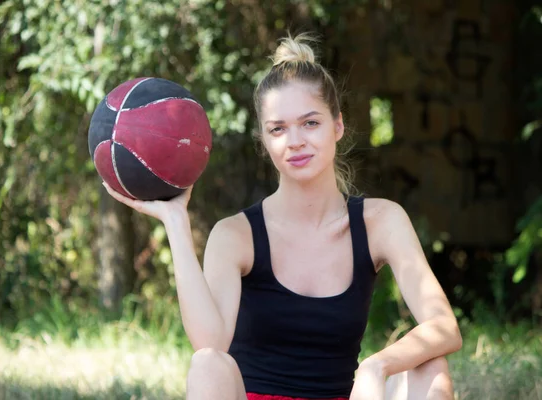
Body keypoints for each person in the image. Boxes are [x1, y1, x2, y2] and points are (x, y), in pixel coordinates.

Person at [103, 33, 463, 400]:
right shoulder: (236, 235)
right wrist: (176, 222)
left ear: (337, 126)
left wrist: (377, 366)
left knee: (430, 366)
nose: (295, 141)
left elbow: (444, 327)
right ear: (264, 140)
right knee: (208, 365)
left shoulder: (380, 221)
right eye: (278, 128)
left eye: (310, 123)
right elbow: (210, 345)